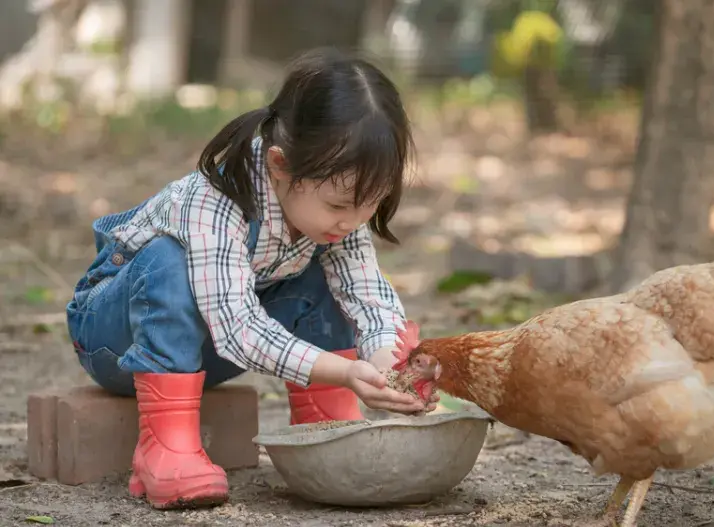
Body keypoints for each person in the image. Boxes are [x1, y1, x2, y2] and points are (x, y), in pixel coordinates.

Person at [65, 48, 437, 510]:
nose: (354, 220)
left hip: (208, 351)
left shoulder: (330, 212)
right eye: (341, 205)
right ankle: (166, 445)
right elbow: (238, 327)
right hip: (115, 340)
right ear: (281, 165)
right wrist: (344, 371)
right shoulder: (212, 201)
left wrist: (385, 366)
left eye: (371, 203)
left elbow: (366, 295)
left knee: (328, 275)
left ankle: (326, 423)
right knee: (168, 261)